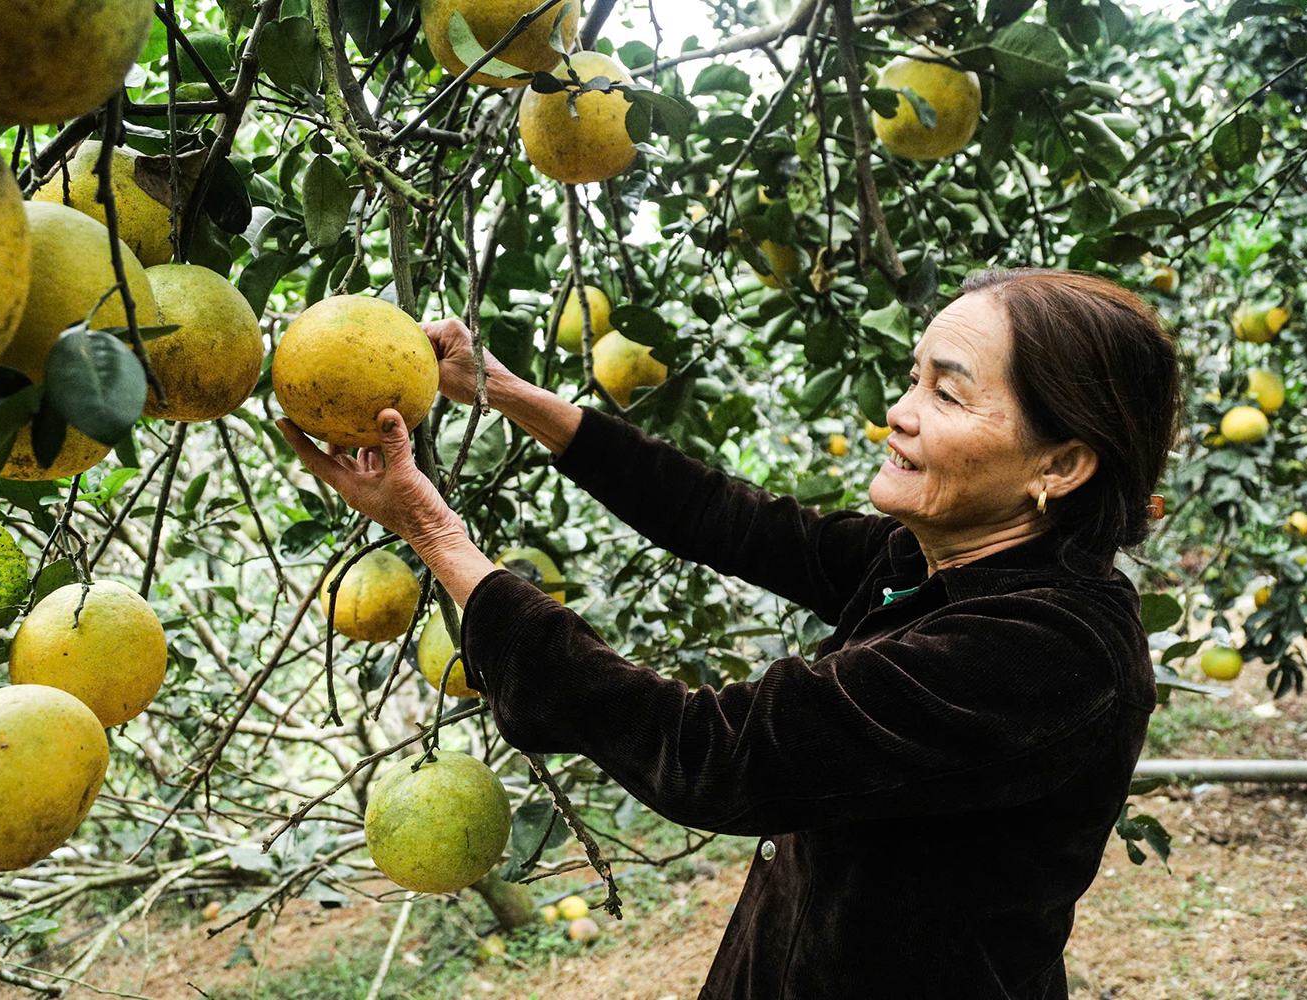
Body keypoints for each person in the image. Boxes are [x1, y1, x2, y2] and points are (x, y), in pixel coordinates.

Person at [277, 268, 1182, 1000]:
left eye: (947, 395)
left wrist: (437, 540)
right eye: (914, 378)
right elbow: (730, 520)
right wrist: (506, 391)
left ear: (1060, 465)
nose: (898, 414)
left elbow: (713, 754)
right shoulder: (936, 559)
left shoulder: (1045, 650)